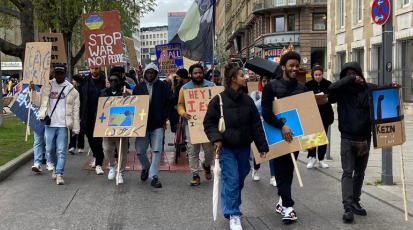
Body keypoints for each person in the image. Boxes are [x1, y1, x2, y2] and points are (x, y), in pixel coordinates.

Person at [328, 62, 401, 222]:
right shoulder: (341, 91)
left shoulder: (368, 88)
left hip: (364, 137)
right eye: (348, 74)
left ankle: (355, 201)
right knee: (348, 172)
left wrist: (392, 86)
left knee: (360, 173)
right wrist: (349, 80)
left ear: (360, 74)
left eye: (355, 73)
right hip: (347, 137)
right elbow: (331, 89)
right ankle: (347, 207)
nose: (353, 76)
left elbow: (382, 90)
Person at [204, 62, 268, 230]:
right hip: (226, 148)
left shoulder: (248, 100)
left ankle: (231, 207)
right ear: (233, 79)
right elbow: (208, 123)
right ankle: (233, 214)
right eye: (241, 76)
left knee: (238, 180)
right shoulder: (218, 100)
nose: (245, 77)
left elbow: (256, 125)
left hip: (244, 148)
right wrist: (216, 138)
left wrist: (262, 146)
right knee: (231, 180)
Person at [261, 50, 307, 222]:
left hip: (295, 136)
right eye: (291, 66)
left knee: (289, 171)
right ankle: (288, 207)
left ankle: (282, 200)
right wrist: (281, 125)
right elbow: (266, 112)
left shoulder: (302, 88)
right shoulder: (271, 87)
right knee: (281, 170)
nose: (295, 68)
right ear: (283, 67)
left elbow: (305, 113)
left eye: (297, 65)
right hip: (277, 135)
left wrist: (310, 139)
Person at [29, 64, 80, 185]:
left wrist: (76, 128)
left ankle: (59, 174)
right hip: (49, 125)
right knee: (50, 150)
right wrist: (32, 91)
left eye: (61, 73)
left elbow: (75, 110)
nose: (59, 75)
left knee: (62, 150)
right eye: (57, 73)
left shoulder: (72, 90)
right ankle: (56, 167)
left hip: (63, 125)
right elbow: (38, 102)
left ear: (65, 74)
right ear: (54, 74)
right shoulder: (47, 86)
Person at [133, 63, 174, 188]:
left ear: (156, 74)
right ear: (144, 73)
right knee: (140, 151)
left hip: (157, 124)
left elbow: (169, 102)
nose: (150, 75)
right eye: (148, 72)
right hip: (141, 125)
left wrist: (163, 115)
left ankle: (154, 176)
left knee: (156, 150)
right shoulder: (138, 87)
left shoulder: (163, 86)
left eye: (153, 73)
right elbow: (132, 103)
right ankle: (146, 167)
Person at [177, 64, 215, 186]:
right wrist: (183, 113)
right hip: (191, 124)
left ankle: (207, 165)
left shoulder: (211, 86)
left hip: (208, 124)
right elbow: (180, 105)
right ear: (191, 75)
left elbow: (217, 102)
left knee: (209, 149)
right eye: (195, 73)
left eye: (200, 72)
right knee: (192, 150)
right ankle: (195, 174)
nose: (198, 75)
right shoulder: (184, 88)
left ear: (203, 73)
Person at [101, 72, 129, 184]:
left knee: (122, 151)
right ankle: (112, 165)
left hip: (122, 126)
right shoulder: (103, 93)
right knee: (107, 149)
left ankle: (120, 172)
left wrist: (126, 99)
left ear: (120, 82)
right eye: (111, 80)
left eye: (115, 80)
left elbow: (132, 108)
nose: (113, 82)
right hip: (108, 126)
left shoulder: (125, 93)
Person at [79, 66, 107, 175]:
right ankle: (96, 155)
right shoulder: (85, 81)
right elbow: (81, 98)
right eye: (92, 68)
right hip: (87, 115)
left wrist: (109, 88)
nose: (94, 71)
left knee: (99, 140)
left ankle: (99, 163)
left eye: (96, 68)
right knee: (90, 137)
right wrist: (80, 115)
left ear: (100, 68)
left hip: (101, 115)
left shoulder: (106, 81)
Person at [305, 66, 334, 169]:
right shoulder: (308, 85)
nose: (318, 77)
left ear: (323, 74)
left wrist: (328, 99)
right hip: (312, 114)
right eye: (316, 75)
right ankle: (312, 157)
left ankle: (321, 159)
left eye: (320, 75)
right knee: (312, 137)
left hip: (325, 114)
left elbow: (333, 97)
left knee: (322, 137)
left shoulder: (328, 84)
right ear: (313, 75)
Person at [250, 75, 276, 186]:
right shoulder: (255, 94)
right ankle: (256, 168)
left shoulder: (274, 94)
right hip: (258, 125)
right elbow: (252, 107)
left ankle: (273, 176)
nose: (266, 83)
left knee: (272, 150)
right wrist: (263, 99)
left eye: (268, 81)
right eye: (264, 81)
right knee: (260, 149)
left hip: (270, 125)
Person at [68, 74, 85, 155]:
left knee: (80, 129)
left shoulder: (82, 89)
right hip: (72, 110)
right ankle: (72, 146)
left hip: (80, 110)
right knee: (72, 128)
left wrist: (81, 115)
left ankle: (81, 146)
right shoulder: (70, 89)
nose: (72, 81)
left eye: (74, 80)